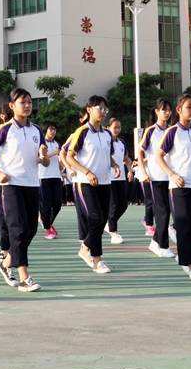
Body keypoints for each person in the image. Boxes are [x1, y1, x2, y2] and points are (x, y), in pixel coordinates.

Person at [0, 88, 44, 292]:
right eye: (22, 102)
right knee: (18, 230)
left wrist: (44, 158)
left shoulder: (36, 130)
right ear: (12, 106)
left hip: (32, 185)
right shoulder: (5, 129)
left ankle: (6, 264)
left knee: (31, 230)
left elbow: (42, 157)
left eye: (29, 102)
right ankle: (25, 277)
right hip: (10, 186)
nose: (27, 106)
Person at [157, 93, 191, 281]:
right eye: (189, 107)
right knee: (185, 225)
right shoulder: (172, 132)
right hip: (180, 186)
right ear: (179, 110)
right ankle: (190, 265)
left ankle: (183, 254)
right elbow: (158, 156)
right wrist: (172, 175)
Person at [61, 95, 115, 276]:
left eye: (105, 109)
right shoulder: (82, 132)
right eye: (99, 108)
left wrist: (114, 164)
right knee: (96, 218)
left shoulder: (107, 134)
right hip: (85, 183)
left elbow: (108, 154)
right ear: (89, 109)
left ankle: (85, 247)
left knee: (102, 220)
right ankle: (97, 260)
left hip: (105, 183)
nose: (103, 112)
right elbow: (69, 156)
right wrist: (87, 172)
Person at [140, 99, 176, 259]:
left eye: (169, 110)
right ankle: (162, 245)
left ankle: (155, 242)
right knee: (162, 212)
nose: (167, 113)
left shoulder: (171, 130)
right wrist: (143, 171)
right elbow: (140, 152)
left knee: (168, 211)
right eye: (163, 110)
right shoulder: (150, 131)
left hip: (170, 177)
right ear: (156, 111)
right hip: (155, 177)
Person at [105, 117, 129, 245]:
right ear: (108, 128)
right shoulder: (106, 141)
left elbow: (126, 158)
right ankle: (113, 232)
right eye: (115, 127)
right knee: (114, 205)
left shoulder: (122, 143)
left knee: (123, 205)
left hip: (121, 178)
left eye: (119, 127)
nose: (117, 129)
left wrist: (130, 170)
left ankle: (109, 223)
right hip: (109, 178)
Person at [38, 123, 64, 239]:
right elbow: (41, 157)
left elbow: (59, 159)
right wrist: (54, 153)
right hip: (43, 177)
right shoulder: (41, 143)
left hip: (56, 177)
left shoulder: (56, 144)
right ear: (46, 131)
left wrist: (61, 167)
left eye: (54, 130)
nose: (53, 132)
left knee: (57, 204)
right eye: (51, 129)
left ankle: (46, 222)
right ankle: (48, 229)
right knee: (46, 205)